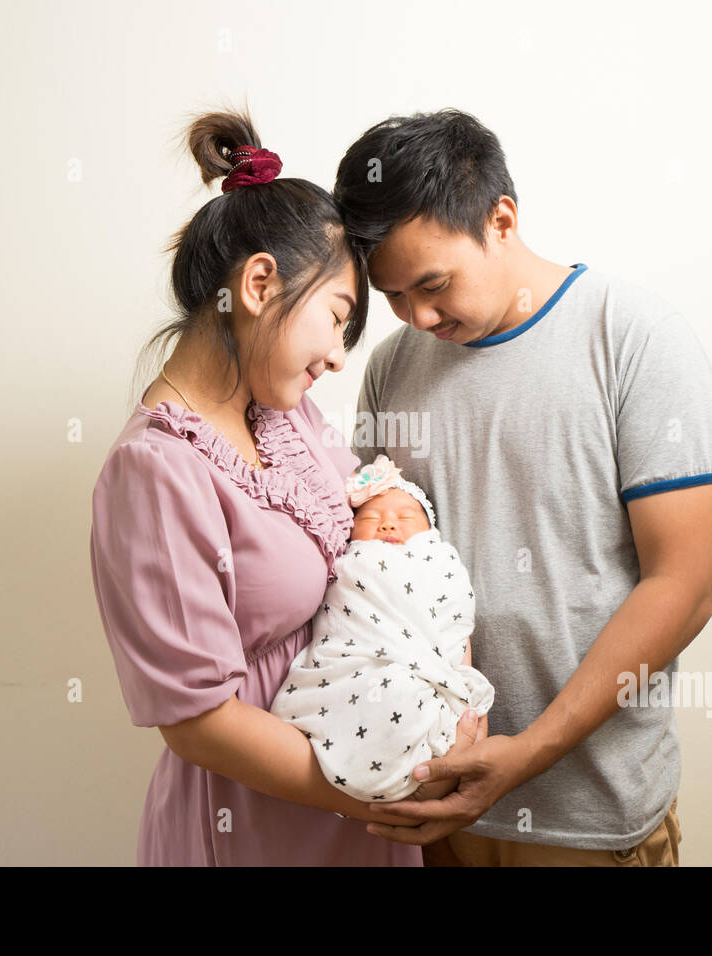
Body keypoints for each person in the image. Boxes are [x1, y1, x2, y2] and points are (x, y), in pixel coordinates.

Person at [332, 108, 712, 866]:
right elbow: (376, 571)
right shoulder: (392, 366)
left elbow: (685, 584)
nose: (416, 315)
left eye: (433, 283)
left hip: (589, 819)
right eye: (392, 296)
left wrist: (527, 754)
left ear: (502, 219)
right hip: (434, 812)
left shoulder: (634, 338)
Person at [88, 107, 479, 866]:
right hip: (260, 828)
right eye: (337, 319)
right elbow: (199, 722)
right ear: (260, 283)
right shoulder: (156, 470)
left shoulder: (284, 417)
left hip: (363, 818)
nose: (338, 358)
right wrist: (390, 786)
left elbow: (382, 548)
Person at [269, 455, 495, 805]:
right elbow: (341, 605)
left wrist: (452, 667)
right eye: (372, 518)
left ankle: (405, 742)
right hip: (353, 657)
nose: (388, 526)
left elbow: (456, 609)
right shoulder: (352, 562)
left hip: (418, 663)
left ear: (431, 532)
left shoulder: (438, 559)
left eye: (405, 518)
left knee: (404, 694)